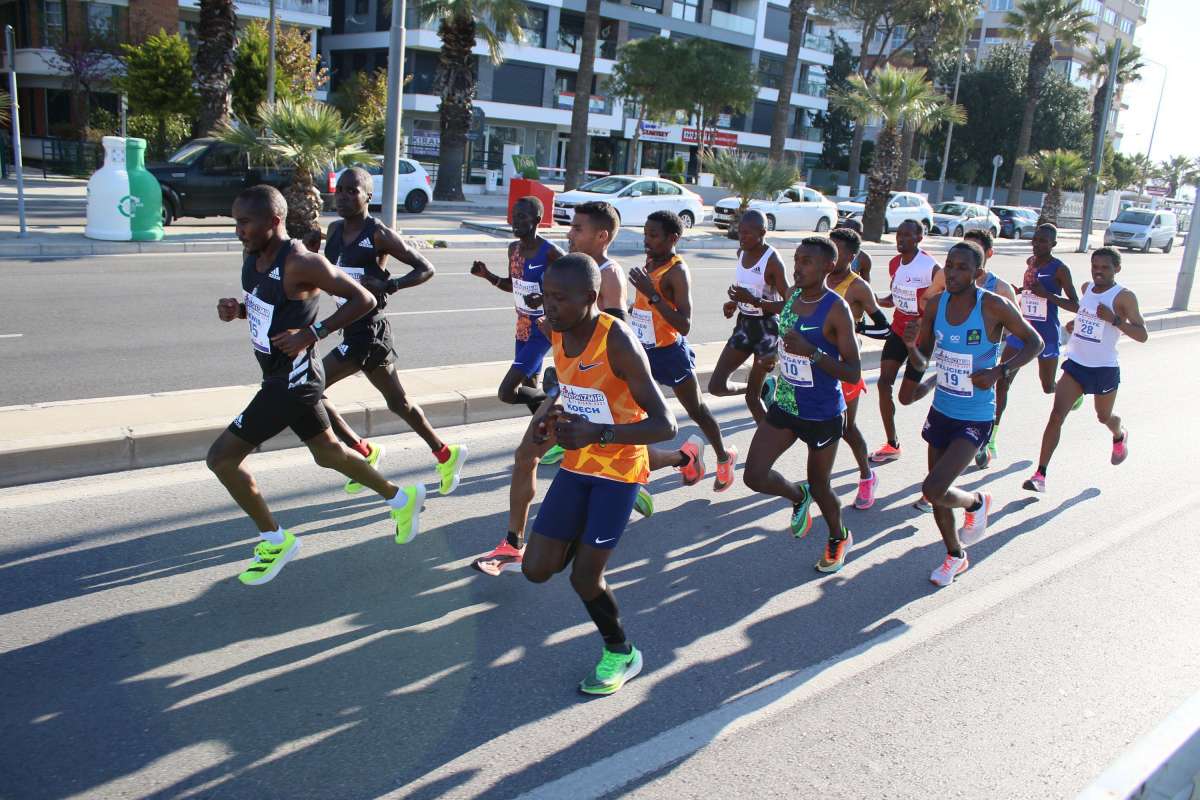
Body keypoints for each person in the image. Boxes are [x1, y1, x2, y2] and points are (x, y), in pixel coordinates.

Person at [208, 185, 425, 586]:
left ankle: (276, 540)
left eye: (244, 223)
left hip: (292, 382)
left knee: (221, 458)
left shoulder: (302, 263)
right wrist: (237, 311)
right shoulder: (252, 256)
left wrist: (315, 332)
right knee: (327, 453)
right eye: (235, 222)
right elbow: (267, 306)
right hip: (281, 374)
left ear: (273, 222)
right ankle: (401, 497)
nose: (238, 230)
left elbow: (363, 299)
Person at [520, 254, 677, 695]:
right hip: (578, 463)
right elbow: (566, 386)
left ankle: (621, 651)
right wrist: (551, 413)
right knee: (535, 569)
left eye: (558, 298)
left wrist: (599, 431)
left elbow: (665, 424)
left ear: (590, 299)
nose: (548, 306)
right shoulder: (558, 329)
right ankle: (583, 537)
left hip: (620, 470)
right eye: (546, 296)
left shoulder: (617, 341)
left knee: (584, 578)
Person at [310, 167, 468, 496]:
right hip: (349, 328)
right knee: (399, 403)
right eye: (339, 190)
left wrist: (390, 284)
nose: (342, 196)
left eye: (352, 190)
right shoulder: (335, 231)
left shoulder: (377, 233)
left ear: (369, 196)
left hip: (368, 334)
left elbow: (426, 268)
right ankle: (443, 452)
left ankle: (362, 451)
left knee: (308, 388)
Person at [899, 241, 1042, 586]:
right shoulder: (936, 304)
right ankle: (955, 555)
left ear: (978, 273)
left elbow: (1034, 342)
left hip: (976, 413)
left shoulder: (994, 306)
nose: (952, 272)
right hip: (943, 408)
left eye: (962, 267)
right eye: (949, 265)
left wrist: (999, 372)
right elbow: (925, 352)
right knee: (937, 494)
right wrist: (912, 358)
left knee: (933, 488)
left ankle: (977, 502)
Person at [745, 237, 861, 574]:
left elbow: (852, 372)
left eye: (807, 261)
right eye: (796, 259)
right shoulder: (793, 297)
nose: (797, 267)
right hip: (786, 404)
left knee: (823, 487)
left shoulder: (836, 309)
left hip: (822, 413)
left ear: (827, 267)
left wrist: (813, 352)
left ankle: (840, 536)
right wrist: (773, 357)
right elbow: (787, 342)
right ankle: (798, 496)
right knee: (754, 475)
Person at [1022, 247, 1146, 493]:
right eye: (1095, 266)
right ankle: (1040, 474)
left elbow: (1142, 335)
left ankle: (1119, 432)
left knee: (1104, 417)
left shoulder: (1124, 297)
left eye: (1105, 268)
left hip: (1104, 369)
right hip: (1076, 365)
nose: (1099, 272)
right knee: (1056, 416)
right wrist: (1076, 324)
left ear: (1117, 269)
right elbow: (1086, 314)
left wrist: (1115, 320)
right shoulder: (1087, 287)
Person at [629, 210, 737, 490]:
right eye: (645, 234)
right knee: (634, 412)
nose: (646, 240)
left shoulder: (677, 271)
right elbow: (648, 306)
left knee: (697, 411)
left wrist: (650, 295)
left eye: (653, 235)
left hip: (670, 355)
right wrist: (636, 308)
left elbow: (685, 324)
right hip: (644, 353)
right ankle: (635, 472)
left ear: (672, 238)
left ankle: (724, 458)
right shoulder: (651, 261)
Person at [541, 200, 631, 466]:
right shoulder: (574, 268)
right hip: (576, 362)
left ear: (601, 236)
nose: (570, 234)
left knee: (610, 437)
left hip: (599, 369)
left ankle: (679, 458)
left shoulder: (609, 274)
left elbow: (618, 325)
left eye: (578, 229)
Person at [994, 223, 1079, 462]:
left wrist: (1048, 296)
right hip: (1022, 331)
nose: (1038, 243)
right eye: (1036, 239)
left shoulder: (1060, 269)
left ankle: (1074, 394)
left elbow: (1076, 304)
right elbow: (1032, 290)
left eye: (1044, 241)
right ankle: (991, 437)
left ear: (1053, 244)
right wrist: (1019, 290)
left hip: (1047, 335)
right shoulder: (1031, 263)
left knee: (1048, 386)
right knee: (1003, 381)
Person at [470, 196, 563, 413]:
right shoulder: (514, 250)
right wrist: (487, 275)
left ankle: (557, 389)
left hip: (543, 328)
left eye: (522, 217)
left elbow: (572, 286)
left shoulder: (550, 252)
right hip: (522, 328)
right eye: (513, 216)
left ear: (537, 219)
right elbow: (513, 285)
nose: (515, 221)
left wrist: (544, 298)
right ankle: (549, 436)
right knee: (529, 391)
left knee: (507, 392)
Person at [826, 227, 891, 509]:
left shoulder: (857, 287)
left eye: (837, 251)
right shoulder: (819, 275)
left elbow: (885, 328)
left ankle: (867, 476)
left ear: (852, 256)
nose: (831, 255)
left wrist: (856, 328)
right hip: (815, 364)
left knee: (846, 427)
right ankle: (818, 480)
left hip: (844, 365)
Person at [870, 219, 944, 465]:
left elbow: (942, 295)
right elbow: (898, 293)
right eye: (898, 234)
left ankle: (936, 379)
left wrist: (925, 322)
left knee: (906, 397)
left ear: (919, 238)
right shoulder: (894, 263)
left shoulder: (930, 266)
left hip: (920, 337)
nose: (900, 239)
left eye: (907, 235)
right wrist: (883, 300)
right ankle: (892, 443)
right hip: (898, 330)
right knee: (883, 384)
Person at [707, 209, 789, 423]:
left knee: (752, 400)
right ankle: (763, 388)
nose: (741, 237)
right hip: (744, 325)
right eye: (740, 232)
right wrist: (734, 302)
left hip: (767, 330)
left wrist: (754, 302)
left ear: (762, 232)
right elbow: (746, 287)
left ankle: (765, 446)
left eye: (747, 234)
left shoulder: (773, 262)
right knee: (716, 386)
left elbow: (790, 305)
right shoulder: (741, 252)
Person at [837, 217, 873, 282]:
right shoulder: (831, 251)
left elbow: (866, 283)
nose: (846, 235)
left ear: (860, 234)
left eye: (850, 232)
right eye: (843, 230)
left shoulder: (864, 258)